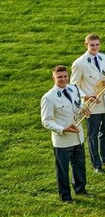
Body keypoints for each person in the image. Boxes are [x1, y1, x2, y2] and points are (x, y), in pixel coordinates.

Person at [71, 33, 105, 173]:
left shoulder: (104, 58)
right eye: (92, 45)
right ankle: (96, 164)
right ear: (86, 45)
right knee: (93, 135)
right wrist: (85, 96)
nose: (95, 47)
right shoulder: (79, 63)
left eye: (97, 45)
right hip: (92, 105)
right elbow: (74, 86)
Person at [41, 65, 87, 202]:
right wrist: (63, 129)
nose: (63, 79)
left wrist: (84, 111)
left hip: (78, 136)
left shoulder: (74, 89)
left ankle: (81, 189)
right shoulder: (48, 97)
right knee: (62, 170)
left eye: (65, 76)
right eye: (59, 77)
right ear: (53, 78)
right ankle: (65, 196)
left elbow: (77, 107)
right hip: (63, 140)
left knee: (79, 166)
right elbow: (46, 121)